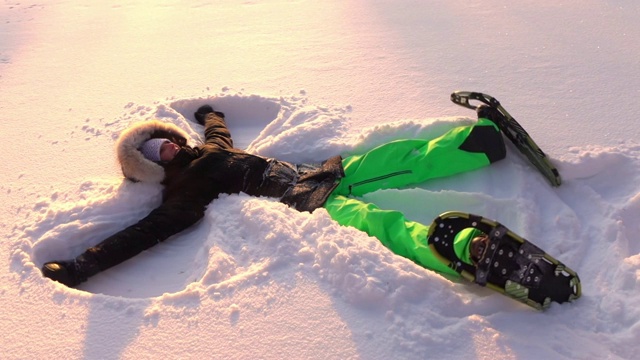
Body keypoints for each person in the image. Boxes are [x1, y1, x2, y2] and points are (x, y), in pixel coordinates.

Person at [41, 104, 505, 287]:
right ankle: (464, 248)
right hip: (309, 202)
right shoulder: (183, 192)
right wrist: (84, 265)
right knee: (379, 225)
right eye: (157, 150)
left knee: (392, 158)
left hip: (311, 173)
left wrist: (212, 114)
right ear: (151, 164)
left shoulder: (210, 149)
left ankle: (477, 144)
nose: (169, 146)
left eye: (166, 139)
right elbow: (144, 233)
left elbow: (217, 131)